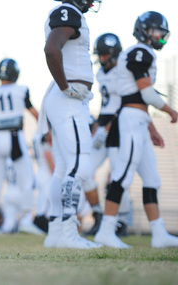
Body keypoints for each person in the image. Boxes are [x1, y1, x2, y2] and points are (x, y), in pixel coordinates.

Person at [95, 11, 178, 248]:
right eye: (155, 31)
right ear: (144, 30)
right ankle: (107, 229)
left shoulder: (142, 52)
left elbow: (141, 98)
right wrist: (172, 112)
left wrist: (151, 127)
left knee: (152, 178)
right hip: (130, 120)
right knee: (122, 174)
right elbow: (146, 93)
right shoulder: (139, 51)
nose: (160, 36)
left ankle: (159, 233)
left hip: (139, 119)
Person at [40, 0, 102, 249]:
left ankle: (55, 232)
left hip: (62, 98)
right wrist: (65, 86)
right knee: (79, 165)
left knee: (64, 167)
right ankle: (67, 233)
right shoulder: (69, 12)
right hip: (68, 99)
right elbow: (52, 49)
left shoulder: (68, 14)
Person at [0, 58, 41, 236]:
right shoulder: (21, 90)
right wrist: (43, 131)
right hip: (15, 137)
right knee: (27, 181)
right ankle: (26, 219)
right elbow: (36, 114)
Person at [84, 33, 132, 236]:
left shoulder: (124, 70)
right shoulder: (101, 73)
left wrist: (109, 128)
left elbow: (124, 103)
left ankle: (121, 221)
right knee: (85, 170)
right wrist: (97, 129)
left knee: (117, 175)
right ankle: (98, 215)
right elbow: (104, 104)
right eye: (100, 55)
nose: (101, 59)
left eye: (104, 55)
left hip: (119, 125)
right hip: (103, 124)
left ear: (113, 53)